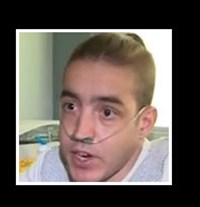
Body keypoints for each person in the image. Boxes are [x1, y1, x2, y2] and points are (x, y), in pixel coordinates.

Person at [20, 32, 169, 182]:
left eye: (107, 112)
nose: (80, 133)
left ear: (144, 123)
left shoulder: (164, 170)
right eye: (71, 107)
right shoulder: (47, 169)